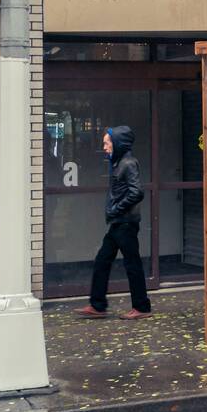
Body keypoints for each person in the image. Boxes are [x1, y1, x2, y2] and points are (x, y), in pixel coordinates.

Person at [75, 126, 152, 319]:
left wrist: (116, 209)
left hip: (125, 224)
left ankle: (141, 308)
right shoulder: (119, 162)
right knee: (103, 261)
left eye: (107, 143)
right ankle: (98, 305)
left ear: (118, 143)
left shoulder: (128, 163)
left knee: (132, 265)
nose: (104, 147)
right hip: (118, 224)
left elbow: (137, 192)